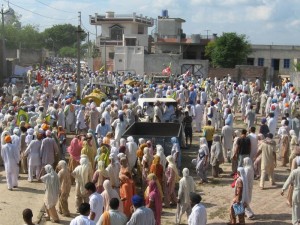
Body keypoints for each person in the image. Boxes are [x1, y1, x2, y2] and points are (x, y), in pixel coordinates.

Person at [281, 156, 300, 225]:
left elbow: (288, 181)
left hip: (296, 193)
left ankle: (295, 222)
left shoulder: (295, 172)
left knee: (295, 208)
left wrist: (283, 189)